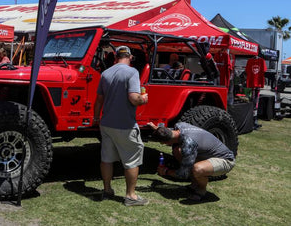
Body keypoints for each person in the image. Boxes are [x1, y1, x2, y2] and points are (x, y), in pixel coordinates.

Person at [92, 46, 149, 206]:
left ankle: (107, 190)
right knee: (132, 160)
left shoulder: (105, 73)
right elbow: (133, 98)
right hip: (125, 124)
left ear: (116, 57)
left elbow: (99, 100)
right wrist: (143, 98)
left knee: (107, 159)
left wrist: (96, 118)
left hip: (106, 123)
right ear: (130, 57)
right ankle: (131, 196)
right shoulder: (132, 72)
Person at [149, 122, 236, 202]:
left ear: (167, 142)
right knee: (177, 151)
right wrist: (157, 129)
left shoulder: (188, 143)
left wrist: (165, 171)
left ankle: (201, 191)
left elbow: (183, 174)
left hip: (225, 160)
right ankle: (194, 184)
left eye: (163, 143)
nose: (164, 145)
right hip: (209, 155)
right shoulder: (180, 126)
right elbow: (168, 131)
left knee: (197, 169)